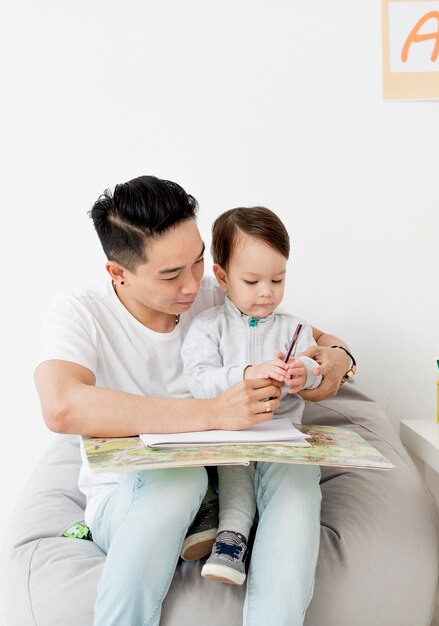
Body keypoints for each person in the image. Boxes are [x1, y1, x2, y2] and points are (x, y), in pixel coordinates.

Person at [33, 175, 356, 626]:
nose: (193, 285)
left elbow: (318, 340)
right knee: (179, 480)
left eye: (198, 260)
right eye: (170, 274)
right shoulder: (79, 312)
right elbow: (62, 406)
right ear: (118, 273)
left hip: (235, 477)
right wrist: (210, 412)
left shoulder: (217, 294)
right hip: (130, 495)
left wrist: (338, 360)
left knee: (297, 482)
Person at [181, 206, 323, 587]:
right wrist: (245, 374)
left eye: (277, 279)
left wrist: (302, 374)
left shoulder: (294, 327)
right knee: (235, 474)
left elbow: (315, 370)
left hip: (284, 435)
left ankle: (268, 536)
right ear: (223, 277)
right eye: (253, 281)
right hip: (232, 436)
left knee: (290, 482)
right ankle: (232, 538)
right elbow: (199, 380)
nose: (267, 292)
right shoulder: (208, 326)